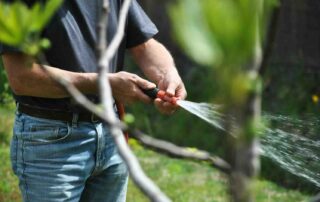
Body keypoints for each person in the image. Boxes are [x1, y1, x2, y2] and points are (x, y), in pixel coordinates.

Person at [0, 0, 187, 202]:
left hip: (111, 131)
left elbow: (143, 45)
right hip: (51, 141)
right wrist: (103, 83)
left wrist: (167, 73)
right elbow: (21, 78)